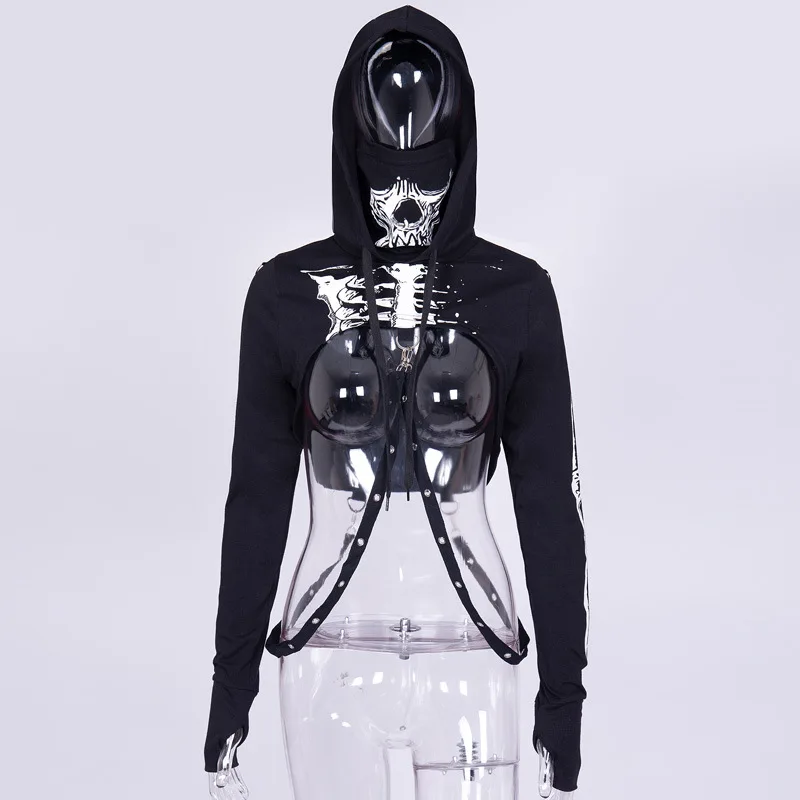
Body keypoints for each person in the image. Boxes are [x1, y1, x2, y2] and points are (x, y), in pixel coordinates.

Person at [204, 6, 589, 797]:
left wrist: (563, 699)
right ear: (351, 156)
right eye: (385, 171)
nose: (407, 199)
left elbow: (552, 505)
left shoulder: (515, 294)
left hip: (471, 653)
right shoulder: (289, 294)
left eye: (430, 171)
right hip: (328, 656)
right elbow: (256, 501)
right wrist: (230, 686)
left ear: (463, 155)